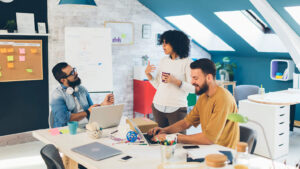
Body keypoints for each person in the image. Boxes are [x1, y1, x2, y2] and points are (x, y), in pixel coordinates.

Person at [148, 59, 239, 149]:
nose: (192, 82)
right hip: (209, 148)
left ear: (209, 78)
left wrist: (174, 138)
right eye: (192, 78)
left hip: (224, 154)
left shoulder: (223, 98)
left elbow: (209, 138)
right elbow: (186, 122)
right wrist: (164, 130)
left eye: (195, 78)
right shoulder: (204, 96)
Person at [145, 30, 195, 131]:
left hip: (177, 109)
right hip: (157, 106)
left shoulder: (188, 63)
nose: (163, 46)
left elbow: (194, 89)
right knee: (159, 138)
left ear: (176, 43)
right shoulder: (163, 61)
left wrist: (176, 81)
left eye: (166, 43)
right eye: (162, 43)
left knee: (178, 140)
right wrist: (148, 75)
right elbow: (159, 86)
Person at [50, 62, 114, 128]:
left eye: (74, 70)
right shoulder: (56, 95)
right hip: (65, 132)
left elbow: (92, 109)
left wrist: (103, 105)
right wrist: (87, 112)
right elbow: (63, 118)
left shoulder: (82, 89)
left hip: (86, 128)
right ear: (63, 80)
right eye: (72, 73)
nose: (76, 73)